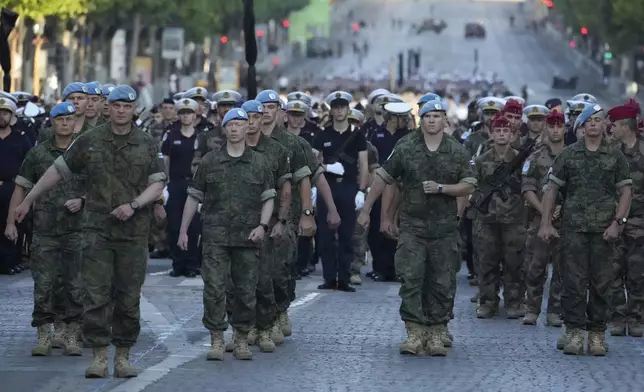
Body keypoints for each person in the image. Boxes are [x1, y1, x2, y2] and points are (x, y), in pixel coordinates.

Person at [13, 85, 167, 377]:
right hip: (96, 231)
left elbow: (158, 184)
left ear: (134, 109)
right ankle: (98, 356)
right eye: (117, 106)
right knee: (94, 295)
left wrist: (134, 205)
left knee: (127, 296)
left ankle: (122, 356)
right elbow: (57, 171)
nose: (121, 111)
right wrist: (29, 200)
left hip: (133, 233)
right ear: (108, 107)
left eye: (127, 106)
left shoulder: (147, 144)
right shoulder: (90, 141)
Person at [357, 99, 476, 356]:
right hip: (412, 226)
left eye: (437, 116)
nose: (433, 120)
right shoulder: (406, 147)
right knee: (411, 279)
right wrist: (368, 210)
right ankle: (414, 332)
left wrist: (443, 189)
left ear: (445, 120)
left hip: (444, 229)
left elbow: (469, 184)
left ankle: (436, 331)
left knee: (442, 282)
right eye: (428, 116)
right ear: (421, 119)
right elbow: (384, 179)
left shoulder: (456, 151)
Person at [178, 108, 276, 361]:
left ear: (247, 128)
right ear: (224, 129)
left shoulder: (259, 163)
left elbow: (268, 199)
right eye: (229, 124)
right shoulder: (210, 161)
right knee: (214, 289)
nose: (234, 128)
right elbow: (194, 196)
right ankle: (217, 339)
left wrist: (262, 226)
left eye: (239, 124)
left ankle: (241, 338)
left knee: (245, 291)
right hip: (215, 236)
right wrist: (183, 230)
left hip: (247, 238)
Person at [540, 103, 632, 356]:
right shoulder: (568, 155)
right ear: (581, 125)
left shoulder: (615, 156)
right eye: (589, 120)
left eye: (598, 119)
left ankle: (597, 334)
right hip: (573, 230)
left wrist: (618, 223)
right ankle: (573, 331)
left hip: (604, 231)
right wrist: (546, 223)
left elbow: (626, 191)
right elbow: (552, 190)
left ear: (605, 125)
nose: (594, 123)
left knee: (603, 283)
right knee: (573, 282)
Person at [6, 102, 85, 356]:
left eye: (69, 119)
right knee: (44, 284)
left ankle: (71, 332)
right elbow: (21, 187)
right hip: (44, 230)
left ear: (75, 122)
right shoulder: (37, 154)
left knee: (75, 285)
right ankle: (44, 331)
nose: (65, 123)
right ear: (51, 122)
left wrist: (83, 200)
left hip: (78, 230)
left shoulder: (85, 152)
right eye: (60, 119)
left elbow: (100, 188)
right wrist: (11, 222)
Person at [313, 91, 368, 292]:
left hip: (348, 188)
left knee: (347, 235)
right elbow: (314, 161)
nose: (339, 111)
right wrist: (326, 169)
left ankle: (344, 278)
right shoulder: (322, 135)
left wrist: (361, 190)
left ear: (347, 109)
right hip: (327, 187)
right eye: (335, 107)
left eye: (342, 107)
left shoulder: (357, 135)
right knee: (326, 236)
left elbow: (363, 165)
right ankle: (329, 278)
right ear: (332, 110)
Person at [473, 113, 526, 319]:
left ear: (513, 135)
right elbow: (475, 187)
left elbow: (528, 186)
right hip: (488, 220)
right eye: (498, 131)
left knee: (514, 263)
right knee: (487, 262)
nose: (502, 135)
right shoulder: (481, 160)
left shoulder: (521, 160)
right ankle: (487, 302)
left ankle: (514, 302)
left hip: (514, 219)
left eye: (506, 131)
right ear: (491, 134)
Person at [521, 110, 565, 327]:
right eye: (552, 126)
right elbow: (527, 188)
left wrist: (561, 209)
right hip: (539, 220)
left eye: (559, 126)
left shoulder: (572, 155)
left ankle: (555, 311)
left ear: (565, 128)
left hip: (566, 222)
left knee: (561, 268)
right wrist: (545, 212)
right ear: (546, 128)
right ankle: (532, 309)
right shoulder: (536, 156)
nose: (555, 130)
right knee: (535, 267)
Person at [607, 104, 644, 337]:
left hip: (640, 223)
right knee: (612, 272)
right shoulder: (610, 152)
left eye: (615, 125)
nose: (611, 129)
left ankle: (636, 317)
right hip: (612, 223)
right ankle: (618, 318)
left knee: (638, 273)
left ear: (625, 127)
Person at [162, 98, 201, 277]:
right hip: (176, 184)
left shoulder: (201, 136)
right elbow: (165, 161)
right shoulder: (171, 135)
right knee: (174, 225)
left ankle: (192, 264)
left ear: (195, 115)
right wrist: (165, 184)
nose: (186, 116)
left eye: (189, 113)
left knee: (194, 226)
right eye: (183, 113)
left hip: (194, 184)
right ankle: (178, 264)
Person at [0, 96, 32, 276]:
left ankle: (11, 260)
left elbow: (29, 161)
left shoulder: (20, 137)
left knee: (13, 222)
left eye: (5, 113)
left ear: (11, 115)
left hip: (14, 186)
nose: (1, 116)